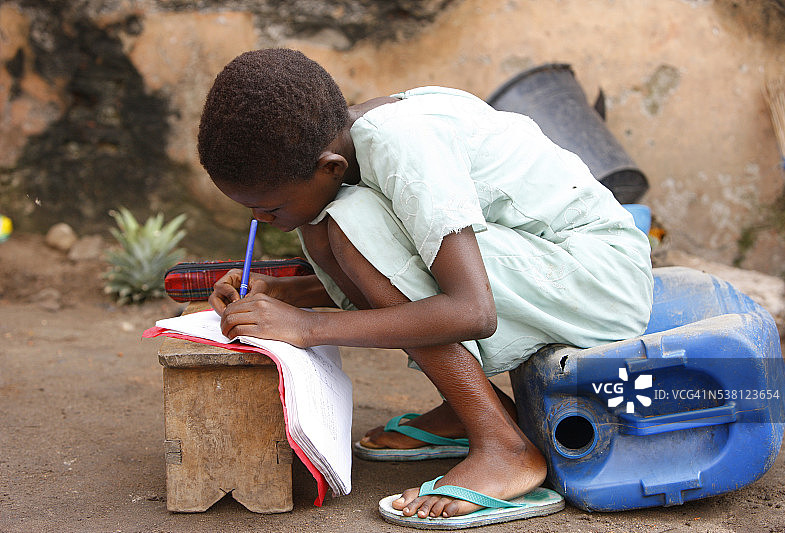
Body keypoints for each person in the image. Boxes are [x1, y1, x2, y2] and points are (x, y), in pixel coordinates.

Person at [199, 48, 653, 527]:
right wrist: (289, 292)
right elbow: (409, 261)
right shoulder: (349, 141)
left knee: (347, 223)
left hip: (601, 276)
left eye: (269, 208)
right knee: (330, 223)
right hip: (540, 263)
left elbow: (471, 310)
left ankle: (505, 447)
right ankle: (473, 409)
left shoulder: (405, 146)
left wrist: (310, 326)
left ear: (329, 166)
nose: (260, 219)